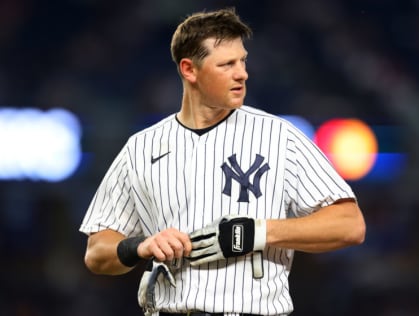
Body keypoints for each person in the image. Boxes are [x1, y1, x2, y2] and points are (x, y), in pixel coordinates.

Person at [79, 7, 366, 316]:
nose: (242, 73)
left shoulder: (279, 136)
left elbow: (350, 225)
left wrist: (260, 232)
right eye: (227, 64)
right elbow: (97, 252)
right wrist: (140, 246)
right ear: (190, 70)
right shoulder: (142, 147)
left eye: (242, 61)